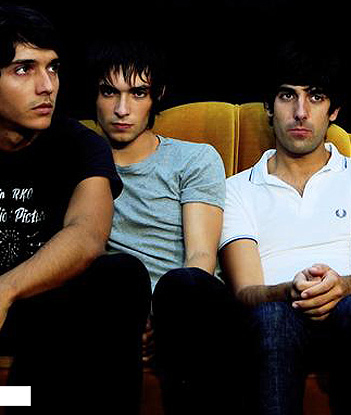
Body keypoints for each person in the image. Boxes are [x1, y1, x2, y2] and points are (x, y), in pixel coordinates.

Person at [0, 6, 151, 414]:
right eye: (23, 69)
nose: (47, 86)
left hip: (43, 322)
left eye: (52, 68)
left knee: (120, 275)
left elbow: (87, 234)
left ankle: (14, 402)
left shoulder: (80, 145)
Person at [219, 41, 351, 415]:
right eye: (287, 96)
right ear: (269, 107)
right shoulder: (236, 189)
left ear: (334, 110)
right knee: (271, 318)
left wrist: (342, 287)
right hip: (277, 320)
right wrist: (291, 290)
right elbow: (246, 293)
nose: (300, 112)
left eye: (315, 97)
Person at [86, 40, 248, 415]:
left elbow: (201, 255)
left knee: (185, 285)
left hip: (186, 310)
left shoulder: (193, 158)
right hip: (115, 310)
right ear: (94, 95)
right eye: (109, 92)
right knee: (116, 273)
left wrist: (161, 320)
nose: (122, 109)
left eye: (137, 93)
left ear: (156, 96)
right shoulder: (79, 161)